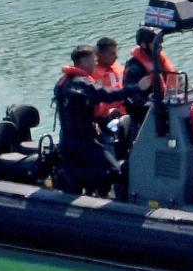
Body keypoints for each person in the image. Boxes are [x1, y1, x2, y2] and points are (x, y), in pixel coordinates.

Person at [54, 45, 148, 196]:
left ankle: (87, 187)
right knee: (113, 170)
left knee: (76, 182)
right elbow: (106, 94)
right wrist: (137, 88)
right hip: (82, 142)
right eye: (93, 60)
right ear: (84, 62)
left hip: (70, 140)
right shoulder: (80, 83)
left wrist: (97, 121)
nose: (95, 64)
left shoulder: (63, 82)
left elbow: (78, 108)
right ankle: (87, 186)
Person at [122, 26, 178, 124]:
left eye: (160, 42)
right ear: (143, 45)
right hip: (145, 117)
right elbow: (131, 96)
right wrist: (150, 104)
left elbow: (173, 82)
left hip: (168, 108)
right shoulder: (134, 68)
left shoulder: (159, 60)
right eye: (156, 42)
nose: (160, 45)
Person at [91, 37, 126, 120]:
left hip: (126, 113)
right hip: (106, 119)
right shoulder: (91, 74)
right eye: (112, 53)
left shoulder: (119, 68)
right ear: (100, 54)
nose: (116, 56)